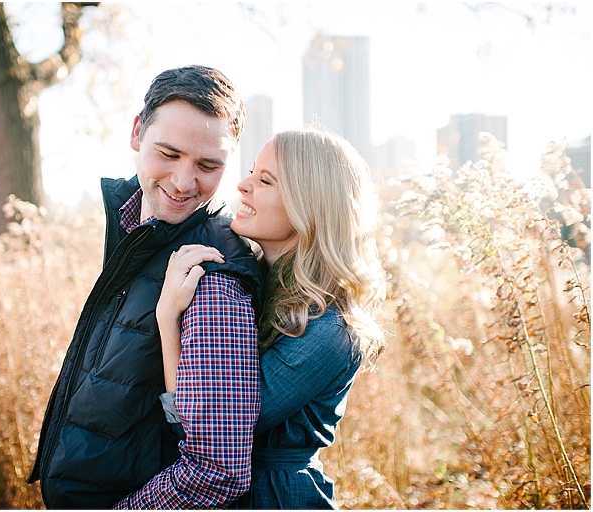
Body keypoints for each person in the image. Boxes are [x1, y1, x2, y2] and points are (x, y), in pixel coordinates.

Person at [28, 65, 264, 509]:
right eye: (168, 154)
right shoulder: (132, 223)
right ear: (137, 132)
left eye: (208, 165)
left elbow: (217, 471)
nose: (182, 182)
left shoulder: (212, 274)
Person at [151, 128, 387, 509]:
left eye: (265, 180)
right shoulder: (252, 285)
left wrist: (168, 320)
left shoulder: (331, 330)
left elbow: (210, 426)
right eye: (251, 172)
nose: (243, 186)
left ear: (308, 204)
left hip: (277, 497)